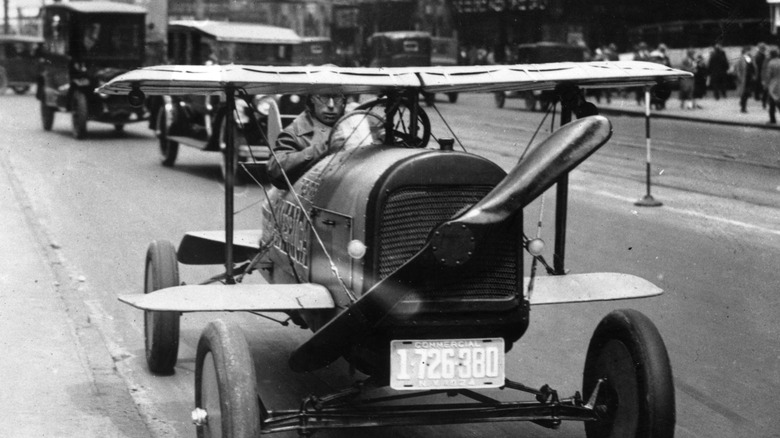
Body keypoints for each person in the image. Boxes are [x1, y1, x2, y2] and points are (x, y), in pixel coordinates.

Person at [266, 93, 347, 189]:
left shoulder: (354, 124)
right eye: (323, 97)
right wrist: (325, 147)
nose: (331, 105)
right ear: (312, 100)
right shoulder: (294, 132)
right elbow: (276, 169)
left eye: (337, 98)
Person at [734, 46, 756, 113]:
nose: (749, 52)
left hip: (748, 79)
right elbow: (738, 69)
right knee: (745, 93)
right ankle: (743, 108)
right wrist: (740, 77)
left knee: (746, 93)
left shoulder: (749, 58)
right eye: (748, 51)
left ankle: (742, 104)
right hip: (743, 79)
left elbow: (752, 67)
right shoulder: (741, 59)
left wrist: (753, 75)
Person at [762, 48, 780, 124]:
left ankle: (772, 119)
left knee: (772, 102)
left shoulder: (771, 63)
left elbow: (768, 76)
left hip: (774, 84)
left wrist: (766, 85)